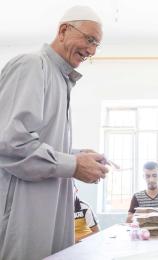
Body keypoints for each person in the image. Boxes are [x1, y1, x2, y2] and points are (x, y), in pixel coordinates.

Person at [0, 6, 109, 260]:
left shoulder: (62, 80)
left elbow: (38, 142)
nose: (92, 51)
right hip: (23, 213)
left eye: (96, 45)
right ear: (63, 31)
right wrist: (73, 164)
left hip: (51, 211)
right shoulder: (31, 65)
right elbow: (11, 142)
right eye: (89, 39)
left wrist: (78, 155)